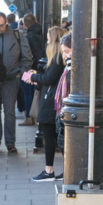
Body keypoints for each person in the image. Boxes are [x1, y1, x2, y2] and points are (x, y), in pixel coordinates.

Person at [23, 33, 70, 181]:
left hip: (51, 101)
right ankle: (64, 169)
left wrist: (34, 77)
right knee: (57, 136)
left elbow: (49, 79)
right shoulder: (59, 59)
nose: (46, 43)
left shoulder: (57, 59)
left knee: (52, 136)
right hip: (53, 100)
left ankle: (50, 170)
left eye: (48, 39)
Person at [0, 12, 32, 155]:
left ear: (6, 22)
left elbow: (27, 57)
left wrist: (21, 73)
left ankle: (10, 142)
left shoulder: (17, 36)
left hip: (11, 80)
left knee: (9, 112)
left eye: (0, 26)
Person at [20, 14, 43, 126]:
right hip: (40, 68)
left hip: (29, 68)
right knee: (36, 92)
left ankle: (29, 118)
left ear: (25, 25)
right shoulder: (42, 32)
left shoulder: (28, 36)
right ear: (36, 20)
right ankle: (35, 116)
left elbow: (28, 55)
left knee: (27, 93)